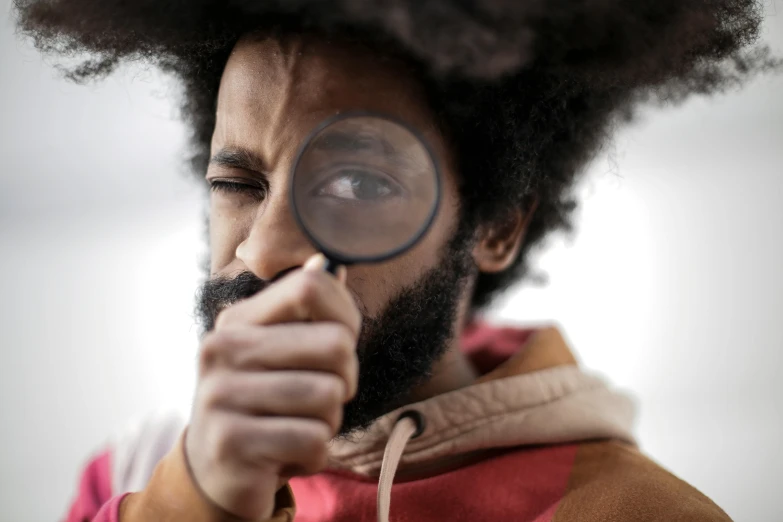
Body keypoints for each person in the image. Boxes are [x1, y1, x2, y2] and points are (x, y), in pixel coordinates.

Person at [14, 1, 778, 521]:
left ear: (497, 227)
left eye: (357, 181)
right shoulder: (129, 477)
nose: (263, 249)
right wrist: (197, 499)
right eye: (237, 184)